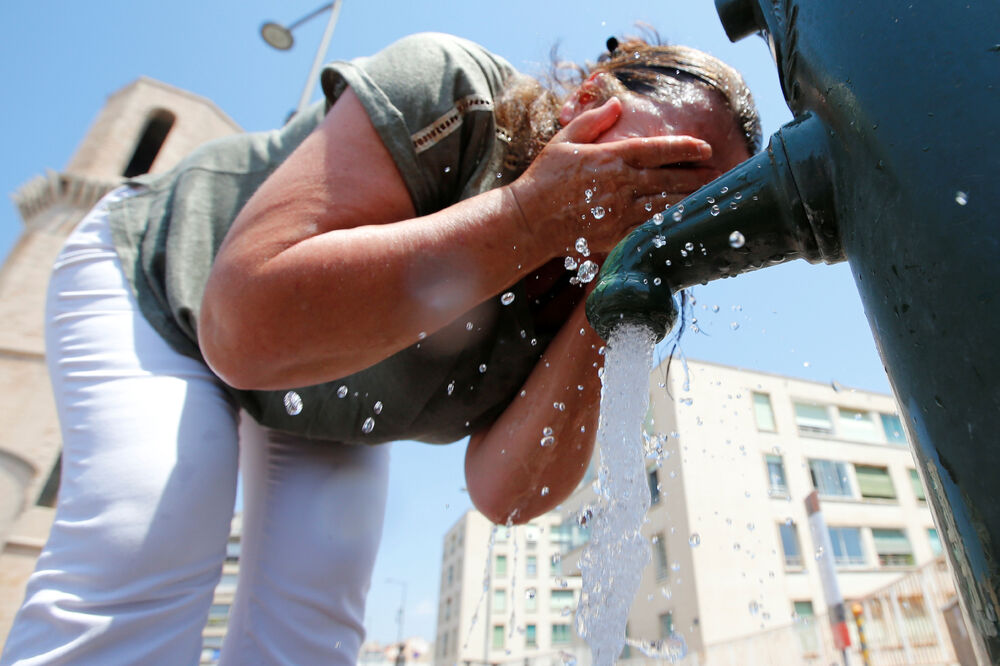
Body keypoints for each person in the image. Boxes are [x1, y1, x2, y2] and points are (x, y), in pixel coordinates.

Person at [2, 31, 759, 665]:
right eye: (658, 166)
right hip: (163, 279)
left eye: (685, 214)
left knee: (314, 611)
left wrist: (613, 296)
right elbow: (245, 328)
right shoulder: (455, 94)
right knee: (148, 532)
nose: (654, 207)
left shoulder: (597, 284)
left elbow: (509, 494)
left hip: (324, 394)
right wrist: (533, 217)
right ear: (589, 101)